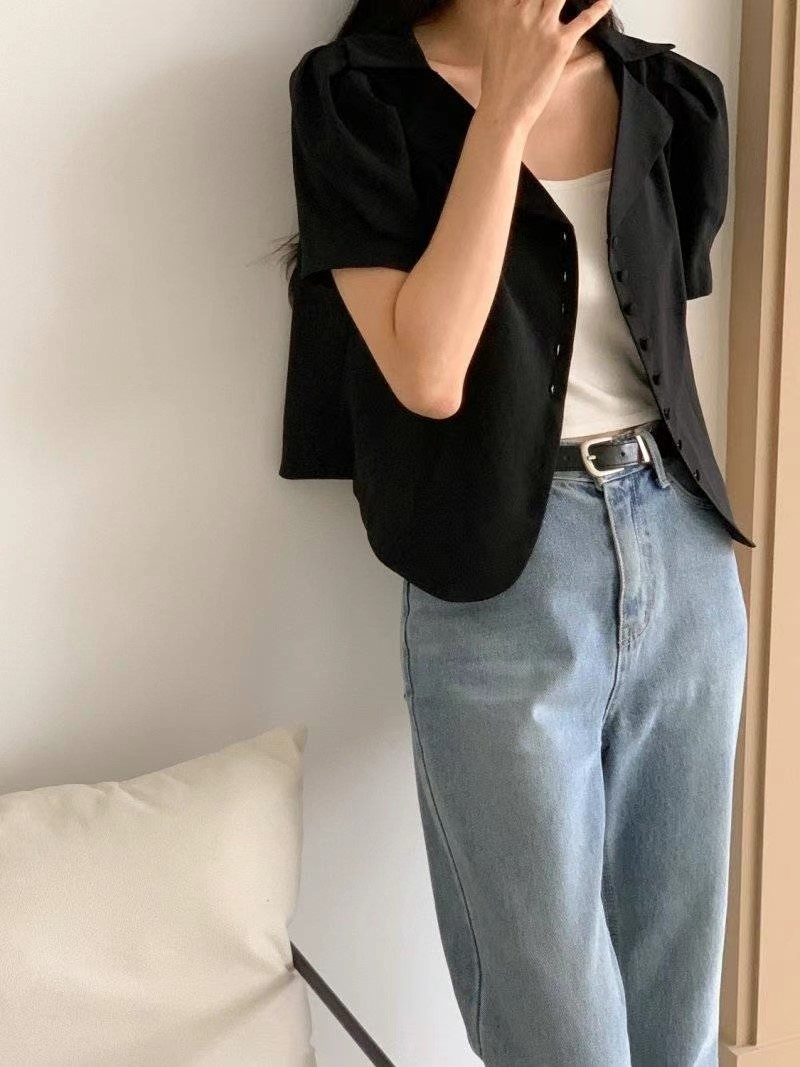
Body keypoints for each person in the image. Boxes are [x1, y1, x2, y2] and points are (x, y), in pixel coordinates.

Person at [280, 2, 755, 1063]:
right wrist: (503, 112)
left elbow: (658, 325)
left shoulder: (669, 95)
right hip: (502, 569)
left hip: (681, 548)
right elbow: (428, 372)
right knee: (553, 1017)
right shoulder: (356, 97)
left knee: (675, 1006)